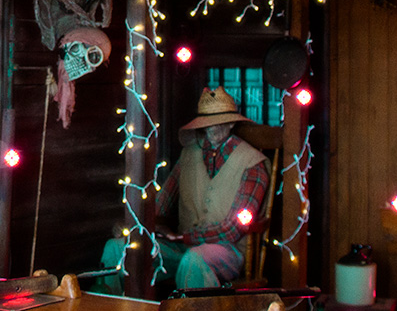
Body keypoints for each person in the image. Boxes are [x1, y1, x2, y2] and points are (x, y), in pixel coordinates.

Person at [98, 86, 271, 291]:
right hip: (182, 247)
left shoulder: (252, 164)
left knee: (194, 260)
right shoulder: (190, 154)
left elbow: (233, 229)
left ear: (232, 122)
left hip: (227, 252)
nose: (211, 129)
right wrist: (133, 226)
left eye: (219, 122)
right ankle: (114, 308)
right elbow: (161, 204)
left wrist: (183, 237)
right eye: (207, 123)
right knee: (116, 248)